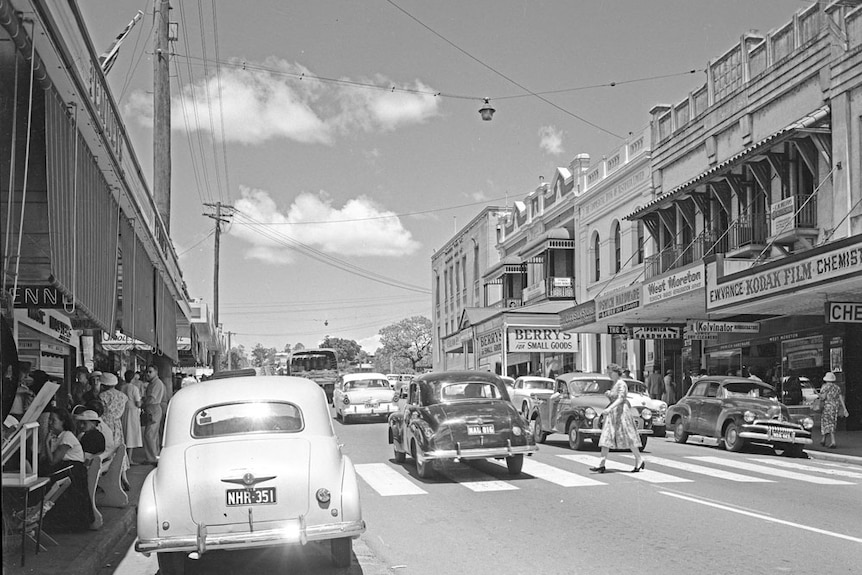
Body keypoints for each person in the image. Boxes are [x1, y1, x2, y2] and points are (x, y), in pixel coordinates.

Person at [40, 408, 94, 531]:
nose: (50, 423)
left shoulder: (67, 436)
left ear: (62, 422)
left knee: (47, 481)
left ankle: (55, 522)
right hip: (66, 468)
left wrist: (46, 442)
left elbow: (53, 460)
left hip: (73, 471)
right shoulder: (58, 436)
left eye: (53, 420)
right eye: (49, 420)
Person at [589, 364, 645, 474]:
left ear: (616, 372)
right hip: (613, 414)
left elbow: (621, 399)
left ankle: (639, 459)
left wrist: (609, 408)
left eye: (611, 372)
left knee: (628, 437)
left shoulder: (621, 384)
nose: (609, 375)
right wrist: (609, 395)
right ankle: (602, 464)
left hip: (621, 413)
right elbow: (615, 398)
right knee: (606, 436)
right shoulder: (615, 384)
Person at [141, 364, 166, 465]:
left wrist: (143, 404)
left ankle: (152, 458)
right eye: (147, 371)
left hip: (153, 409)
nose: (148, 374)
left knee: (149, 434)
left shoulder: (157, 383)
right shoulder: (152, 383)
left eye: (150, 372)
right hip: (152, 409)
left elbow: (152, 398)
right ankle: (154, 456)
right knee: (153, 434)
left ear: (156, 372)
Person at [119, 370, 143, 464]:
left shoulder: (122, 387)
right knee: (131, 434)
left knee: (124, 433)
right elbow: (138, 403)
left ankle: (124, 458)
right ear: (133, 378)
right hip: (132, 411)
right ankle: (130, 458)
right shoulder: (134, 388)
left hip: (123, 411)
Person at [819, 372, 848, 449]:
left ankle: (833, 441)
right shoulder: (837, 388)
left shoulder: (825, 387)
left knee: (826, 423)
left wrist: (819, 395)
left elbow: (823, 397)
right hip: (835, 407)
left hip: (827, 407)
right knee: (832, 422)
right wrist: (844, 409)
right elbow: (840, 398)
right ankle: (823, 439)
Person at [98, 372, 127, 449]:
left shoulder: (103, 396)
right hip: (117, 423)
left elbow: (100, 410)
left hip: (104, 423)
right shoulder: (123, 396)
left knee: (106, 445)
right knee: (117, 445)